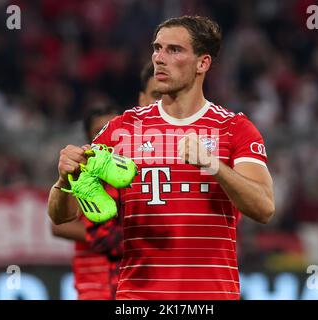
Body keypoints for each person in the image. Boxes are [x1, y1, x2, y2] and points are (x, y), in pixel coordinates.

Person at [48, 15, 275, 300]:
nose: (159, 58)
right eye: (157, 48)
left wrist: (214, 165)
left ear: (202, 63)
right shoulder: (122, 130)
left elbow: (264, 207)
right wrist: (64, 181)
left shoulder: (234, 129)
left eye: (174, 50)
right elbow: (63, 216)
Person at [50, 63, 161, 299]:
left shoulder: (137, 166)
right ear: (90, 137)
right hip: (95, 284)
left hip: (138, 284)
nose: (110, 134)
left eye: (113, 127)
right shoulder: (83, 168)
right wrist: (113, 236)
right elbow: (59, 223)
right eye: (100, 130)